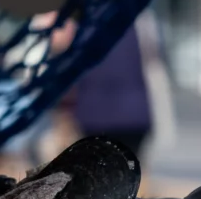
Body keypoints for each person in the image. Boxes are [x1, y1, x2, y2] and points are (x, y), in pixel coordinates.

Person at [64, 14, 155, 167]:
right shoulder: (140, 20)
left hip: (94, 114)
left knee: (97, 168)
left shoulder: (81, 21)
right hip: (133, 113)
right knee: (130, 167)